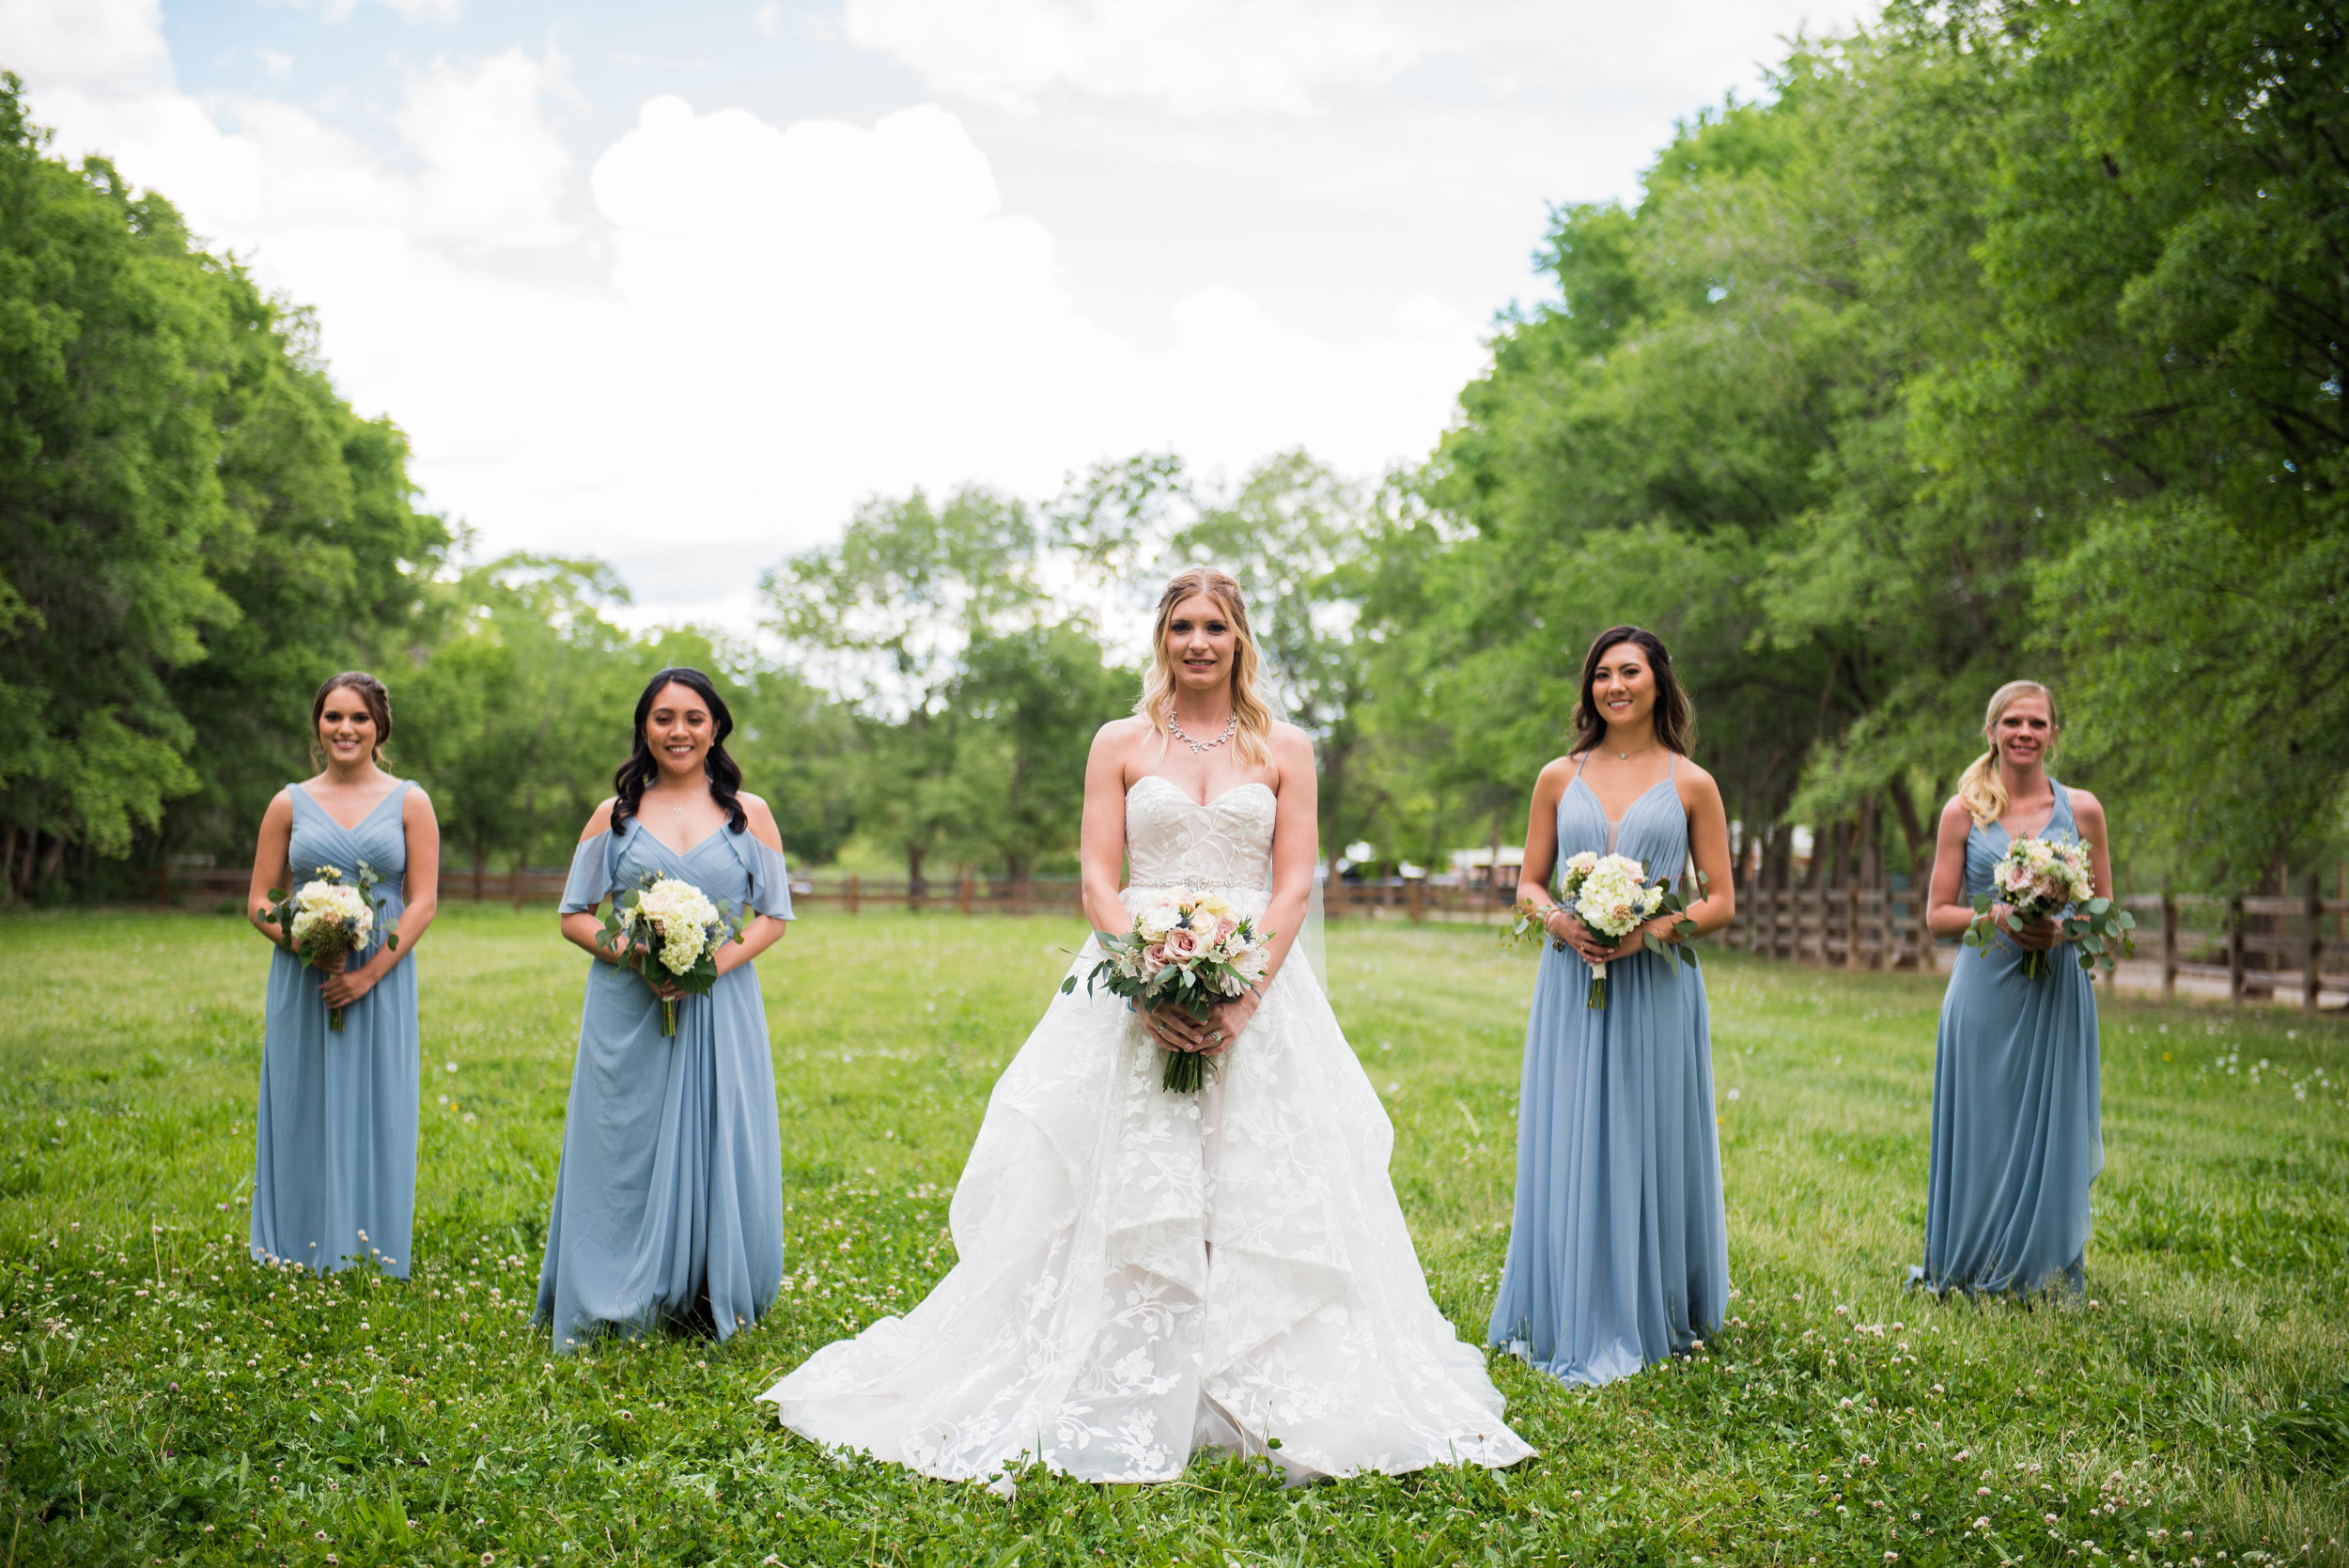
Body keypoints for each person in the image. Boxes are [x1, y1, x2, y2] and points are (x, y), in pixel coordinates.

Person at [761, 567, 1531, 1485]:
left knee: (1254, 1171)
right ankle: (1126, 1354)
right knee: (1130, 1172)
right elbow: (1096, 873)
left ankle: (1244, 1368)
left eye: (1214, 626)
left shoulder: (1284, 748)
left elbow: (1292, 882)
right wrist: (1141, 979)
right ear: (1160, 638)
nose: (1198, 642)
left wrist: (1244, 988)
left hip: (1259, 976)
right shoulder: (1118, 741)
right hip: (1135, 973)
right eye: (1181, 626)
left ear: (1239, 638)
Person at [1486, 625, 1734, 1386]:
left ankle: (1657, 1301)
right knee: (1573, 1129)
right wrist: (1560, 919)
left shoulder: (1693, 782)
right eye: (1602, 674)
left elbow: (1721, 899)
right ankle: (1568, 1300)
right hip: (1571, 979)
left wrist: (1648, 931)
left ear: (1659, 680)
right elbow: (1528, 883)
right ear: (1589, 688)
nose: (1615, 685)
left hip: (1658, 982)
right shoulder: (1558, 777)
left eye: (1630, 671)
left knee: (1648, 1131)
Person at [535, 667, 795, 1348]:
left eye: (693, 717)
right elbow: (573, 914)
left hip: (721, 1005)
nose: (678, 731)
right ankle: (613, 1284)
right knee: (623, 1140)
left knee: (719, 1133)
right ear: (644, 729)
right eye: (663, 718)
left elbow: (772, 916)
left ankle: (708, 1290)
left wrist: (703, 967)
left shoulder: (750, 813)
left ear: (716, 728)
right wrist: (639, 957)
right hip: (628, 1006)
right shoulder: (613, 816)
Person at [1911, 679, 2108, 1297]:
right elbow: (1937, 914)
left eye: (2038, 723)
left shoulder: (2083, 810)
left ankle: (2042, 1266)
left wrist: (2061, 924)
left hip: (2057, 989)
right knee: (1984, 1126)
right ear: (1993, 731)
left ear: (2053, 733)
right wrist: (1996, 915)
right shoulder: (1962, 811)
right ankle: (1969, 1261)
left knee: (2048, 1127)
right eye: (2013, 722)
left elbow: (2101, 907)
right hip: (1983, 993)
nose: (2025, 732)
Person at [246, 672, 440, 1275]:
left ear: (379, 725)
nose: (345, 729)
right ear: (318, 726)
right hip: (303, 977)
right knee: (300, 1101)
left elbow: (423, 901)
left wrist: (367, 975)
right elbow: (258, 900)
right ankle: (294, 1243)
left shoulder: (411, 800)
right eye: (333, 717)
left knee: (377, 1104)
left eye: (358, 717)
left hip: (380, 978)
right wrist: (301, 940)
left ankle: (369, 1246)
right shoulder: (288, 802)